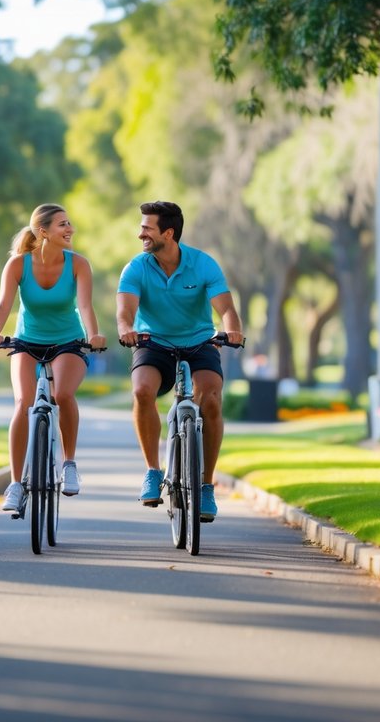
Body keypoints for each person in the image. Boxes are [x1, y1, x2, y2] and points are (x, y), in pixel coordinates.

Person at [116, 200, 244, 523]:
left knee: (211, 400)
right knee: (142, 391)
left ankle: (205, 485)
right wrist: (126, 329)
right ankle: (152, 472)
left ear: (168, 233)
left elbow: (226, 310)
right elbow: (125, 311)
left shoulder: (203, 265)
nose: (140, 233)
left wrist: (232, 332)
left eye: (147, 228)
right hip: (152, 342)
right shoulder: (136, 267)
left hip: (200, 341)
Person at [0, 204, 107, 513]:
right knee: (23, 402)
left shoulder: (79, 264)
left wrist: (94, 335)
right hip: (26, 341)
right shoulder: (17, 265)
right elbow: (3, 306)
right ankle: (15, 483)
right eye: (63, 224)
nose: (71, 229)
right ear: (43, 231)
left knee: (62, 394)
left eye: (70, 223)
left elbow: (86, 307)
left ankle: (69, 465)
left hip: (68, 341)